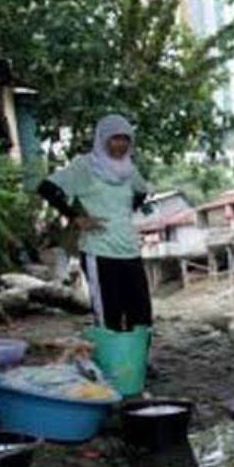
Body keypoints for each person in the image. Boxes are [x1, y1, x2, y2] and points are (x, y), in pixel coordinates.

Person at [37, 114, 153, 334]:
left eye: (125, 138)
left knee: (141, 316)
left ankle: (136, 356)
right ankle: (111, 356)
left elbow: (142, 191)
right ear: (102, 139)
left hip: (129, 249)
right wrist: (76, 217)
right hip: (99, 251)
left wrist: (123, 215)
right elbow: (46, 188)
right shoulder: (85, 166)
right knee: (110, 316)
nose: (121, 144)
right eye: (115, 138)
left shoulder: (129, 169)